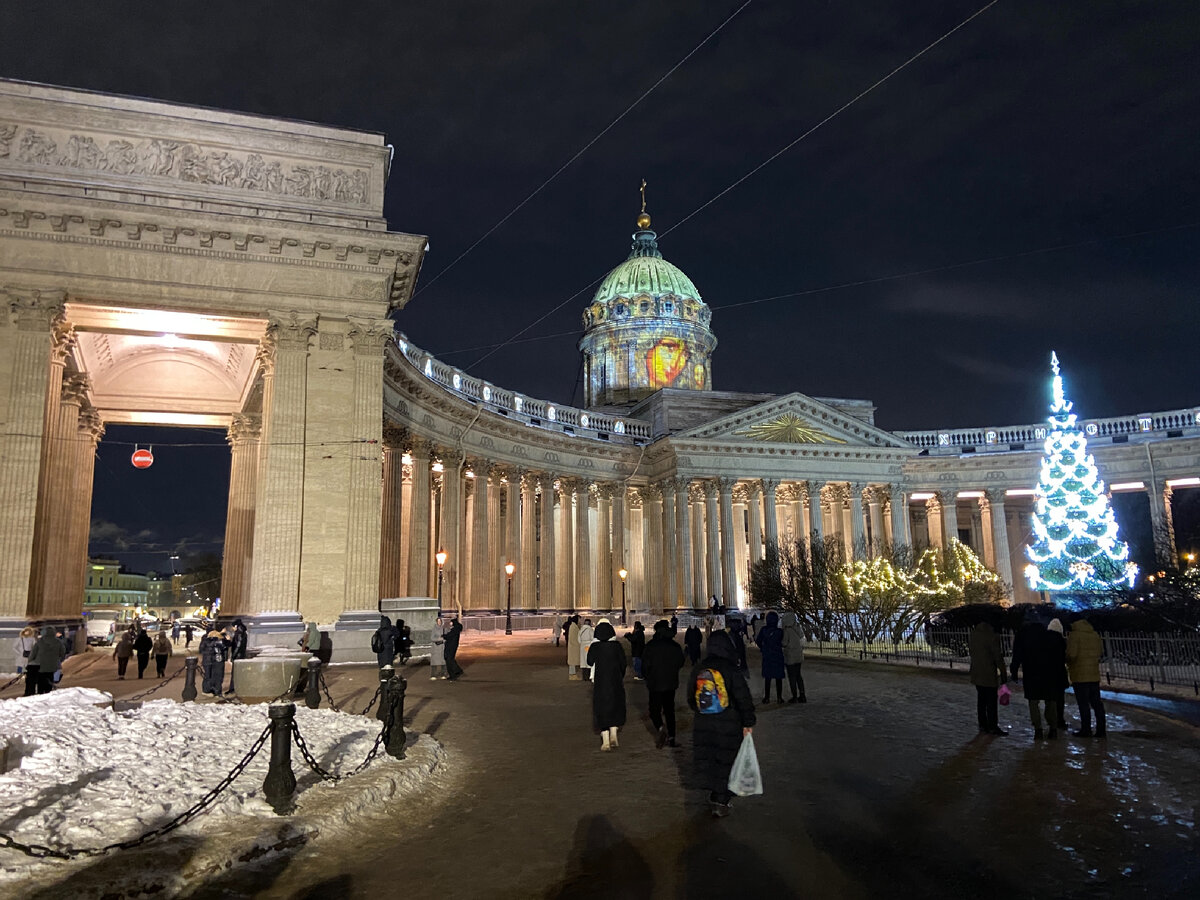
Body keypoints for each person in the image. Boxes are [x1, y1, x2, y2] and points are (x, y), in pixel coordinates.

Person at [687, 630, 756, 817]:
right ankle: (721, 800)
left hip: (704, 724)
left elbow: (691, 699)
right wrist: (748, 722)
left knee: (711, 760)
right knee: (727, 761)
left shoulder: (700, 668)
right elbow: (743, 698)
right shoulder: (731, 669)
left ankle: (716, 796)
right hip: (729, 724)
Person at [642, 619, 686, 748]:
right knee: (669, 711)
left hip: (655, 683)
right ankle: (672, 738)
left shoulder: (650, 646)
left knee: (654, 710)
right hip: (670, 683)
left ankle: (661, 728)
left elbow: (645, 666)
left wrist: (648, 677)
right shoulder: (675, 646)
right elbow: (680, 663)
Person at [587, 620, 627, 751]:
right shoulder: (617, 646)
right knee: (615, 705)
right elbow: (623, 663)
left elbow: (589, 661)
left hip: (600, 682)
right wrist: (619, 675)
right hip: (615, 681)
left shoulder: (595, 647)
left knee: (601, 708)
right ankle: (614, 734)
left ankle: (605, 741)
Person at [1066, 615, 1106, 738]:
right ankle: (1101, 730)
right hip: (1093, 674)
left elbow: (1071, 654)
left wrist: (1067, 660)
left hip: (1080, 674)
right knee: (1097, 703)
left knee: (1083, 704)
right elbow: (1101, 652)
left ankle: (1086, 729)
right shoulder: (1094, 634)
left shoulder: (1074, 635)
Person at [968, 621, 1008, 736]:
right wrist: (1003, 672)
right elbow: (997, 656)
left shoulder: (974, 634)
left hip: (976, 672)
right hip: (988, 673)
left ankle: (982, 724)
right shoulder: (991, 636)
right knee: (991, 701)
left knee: (981, 699)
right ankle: (992, 726)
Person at [755, 611, 786, 704]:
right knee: (778, 678)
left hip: (767, 655)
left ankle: (767, 697)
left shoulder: (764, 630)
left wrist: (763, 648)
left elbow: (758, 641)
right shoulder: (779, 631)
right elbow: (782, 642)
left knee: (768, 678)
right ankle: (779, 697)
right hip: (777, 655)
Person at [24, 626, 64, 695]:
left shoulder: (40, 642)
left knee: (34, 679)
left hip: (38, 666)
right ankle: (47, 693)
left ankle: (31, 693)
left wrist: (29, 663)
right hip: (51, 667)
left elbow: (32, 654)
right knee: (48, 679)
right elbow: (62, 654)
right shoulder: (59, 643)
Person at [1046, 618, 1069, 730]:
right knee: (1060, 698)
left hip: (1048, 673)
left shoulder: (1044, 640)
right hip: (1059, 673)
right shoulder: (1062, 641)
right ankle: (1060, 719)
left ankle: (1051, 719)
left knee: (1050, 698)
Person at [781, 611, 807, 703]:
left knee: (792, 677)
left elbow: (784, 643)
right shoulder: (797, 627)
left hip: (790, 656)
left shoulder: (787, 630)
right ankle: (802, 694)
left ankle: (794, 696)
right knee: (798, 675)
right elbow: (802, 639)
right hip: (798, 655)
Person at [198, 628, 228, 697]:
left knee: (216, 676)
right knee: (208, 676)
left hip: (215, 661)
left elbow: (225, 647)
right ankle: (206, 690)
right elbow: (202, 649)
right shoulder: (206, 639)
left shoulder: (219, 639)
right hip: (208, 660)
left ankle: (215, 690)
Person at [566, 614, 581, 680]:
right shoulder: (574, 627)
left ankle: (573, 675)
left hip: (573, 647)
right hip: (574, 647)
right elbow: (577, 637)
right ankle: (572, 676)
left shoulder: (573, 626)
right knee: (573, 662)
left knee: (572, 662)